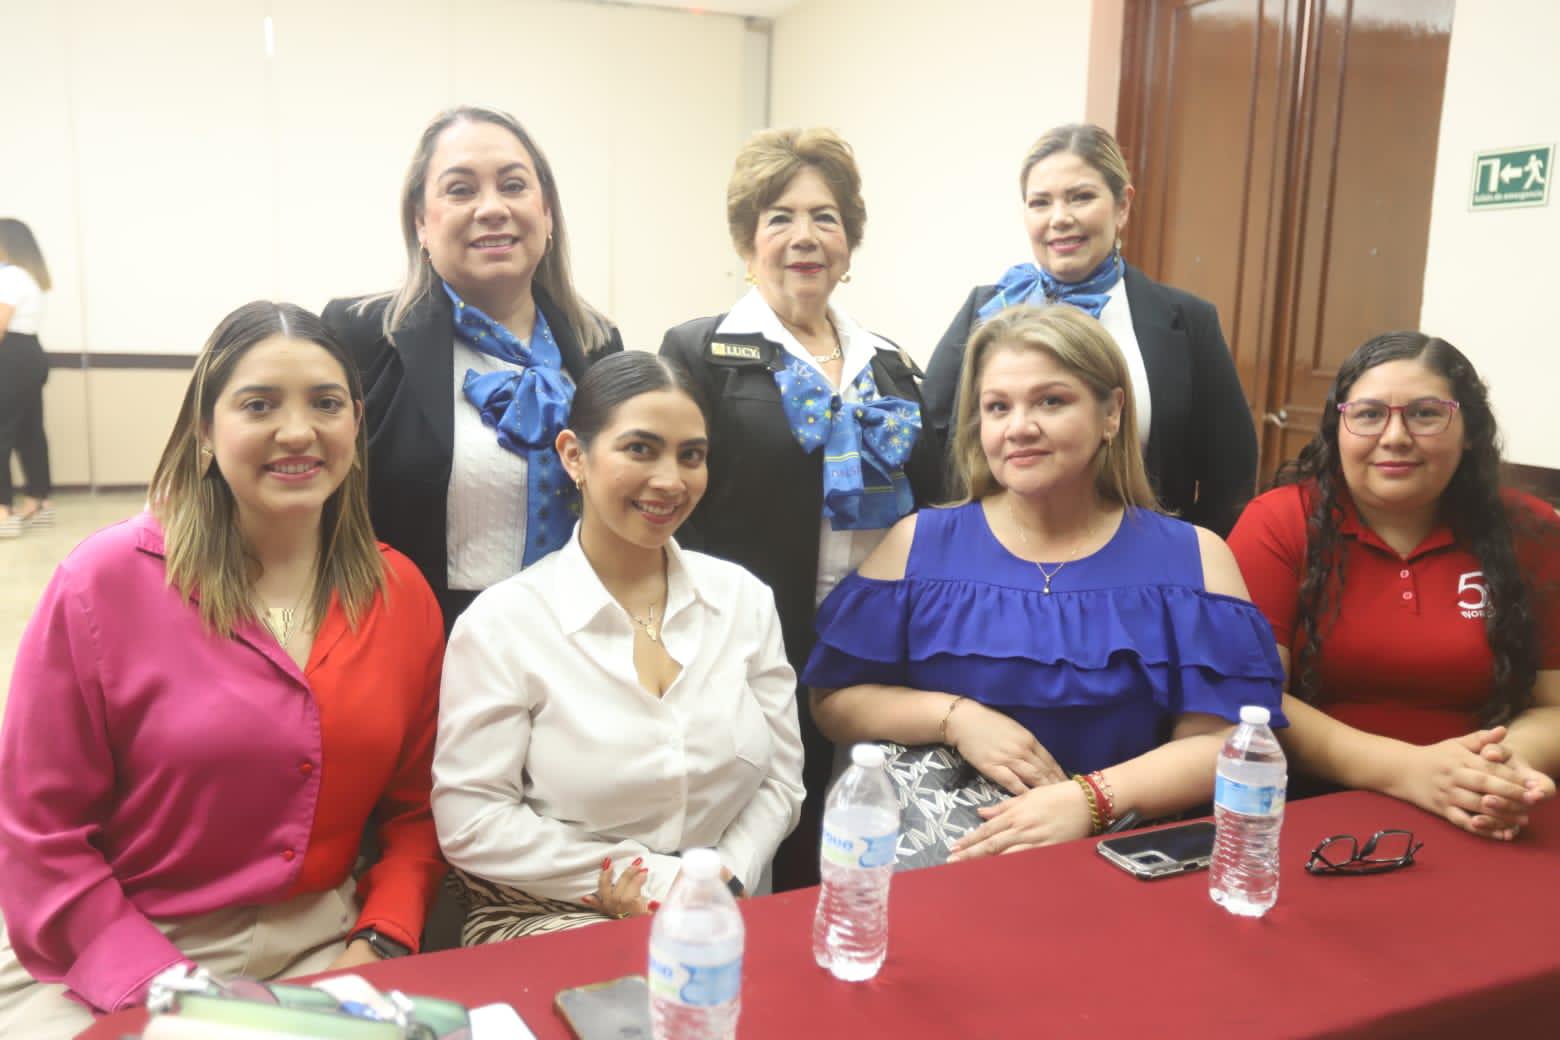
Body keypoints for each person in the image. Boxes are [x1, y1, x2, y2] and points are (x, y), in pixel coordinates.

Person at [0, 302, 446, 1038]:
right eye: (259, 404)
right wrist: (175, 991)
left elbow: (417, 814)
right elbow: (40, 840)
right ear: (205, 431)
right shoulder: (100, 584)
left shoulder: (400, 595)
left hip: (324, 947)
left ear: (356, 426)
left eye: (326, 404)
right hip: (117, 952)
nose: (298, 431)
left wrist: (382, 938)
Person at [805, 305, 1285, 860]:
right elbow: (834, 701)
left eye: (1051, 401)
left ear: (1112, 414)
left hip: (1124, 864)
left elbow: (1223, 743)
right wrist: (958, 719)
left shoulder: (1196, 559)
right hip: (955, 868)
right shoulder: (916, 545)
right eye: (997, 407)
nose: (1019, 427)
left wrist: (1089, 801)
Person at [433, 351, 803, 942]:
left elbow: (782, 780)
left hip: (725, 907)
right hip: (547, 911)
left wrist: (720, 878)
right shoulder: (504, 623)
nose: (670, 480)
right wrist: (654, 880)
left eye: (692, 456)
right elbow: (471, 820)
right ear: (574, 456)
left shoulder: (744, 600)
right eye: (640, 449)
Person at [659, 128, 942, 888]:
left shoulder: (893, 364)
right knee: (753, 830)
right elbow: (674, 505)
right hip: (748, 639)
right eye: (779, 216)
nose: (804, 237)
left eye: (825, 217)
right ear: (747, 239)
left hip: (878, 650)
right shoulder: (701, 352)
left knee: (855, 829)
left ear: (849, 242)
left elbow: (938, 501)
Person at [1228, 331, 1559, 839]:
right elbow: (1254, 700)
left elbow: (1554, 704)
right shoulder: (1278, 523)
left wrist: (1495, 770)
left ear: (1468, 428)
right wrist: (1410, 772)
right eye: (1368, 414)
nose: (1396, 435)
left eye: (1426, 414)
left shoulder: (1533, 532)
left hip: (1488, 812)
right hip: (1311, 812)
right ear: (1337, 427)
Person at [323, 105, 623, 630]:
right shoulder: (360, 336)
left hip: (575, 634)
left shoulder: (598, 344)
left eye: (513, 186)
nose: (492, 208)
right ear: (421, 221)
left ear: (547, 213)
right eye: (460, 190)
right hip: (416, 635)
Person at [922, 124, 1256, 536]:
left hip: (1143, 567)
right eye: (1040, 202)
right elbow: (931, 449)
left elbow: (1232, 472)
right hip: (997, 563)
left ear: (1122, 206)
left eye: (1080, 197)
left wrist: (1185, 557)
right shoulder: (986, 310)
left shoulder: (1190, 322)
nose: (1060, 219)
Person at [0, 218, 54, 538]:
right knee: (29, 430)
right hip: (30, 353)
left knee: (2, 431)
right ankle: (39, 500)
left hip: (12, 355)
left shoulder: (9, 276)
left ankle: (2, 510)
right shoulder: (30, 278)